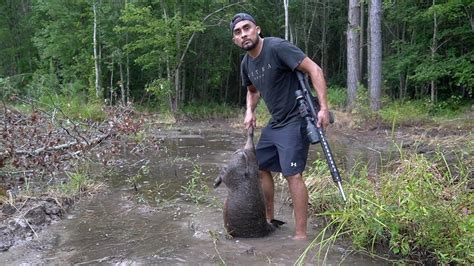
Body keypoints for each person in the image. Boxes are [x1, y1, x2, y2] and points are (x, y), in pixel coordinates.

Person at [230, 12, 331, 240]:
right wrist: (249, 111)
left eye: (247, 28)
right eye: (238, 32)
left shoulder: (277, 48)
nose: (243, 34)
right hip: (276, 122)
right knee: (260, 165)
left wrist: (323, 107)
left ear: (257, 29)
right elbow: (253, 91)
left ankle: (300, 236)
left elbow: (315, 69)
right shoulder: (246, 64)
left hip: (297, 117)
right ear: (235, 40)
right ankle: (268, 221)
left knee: (292, 174)